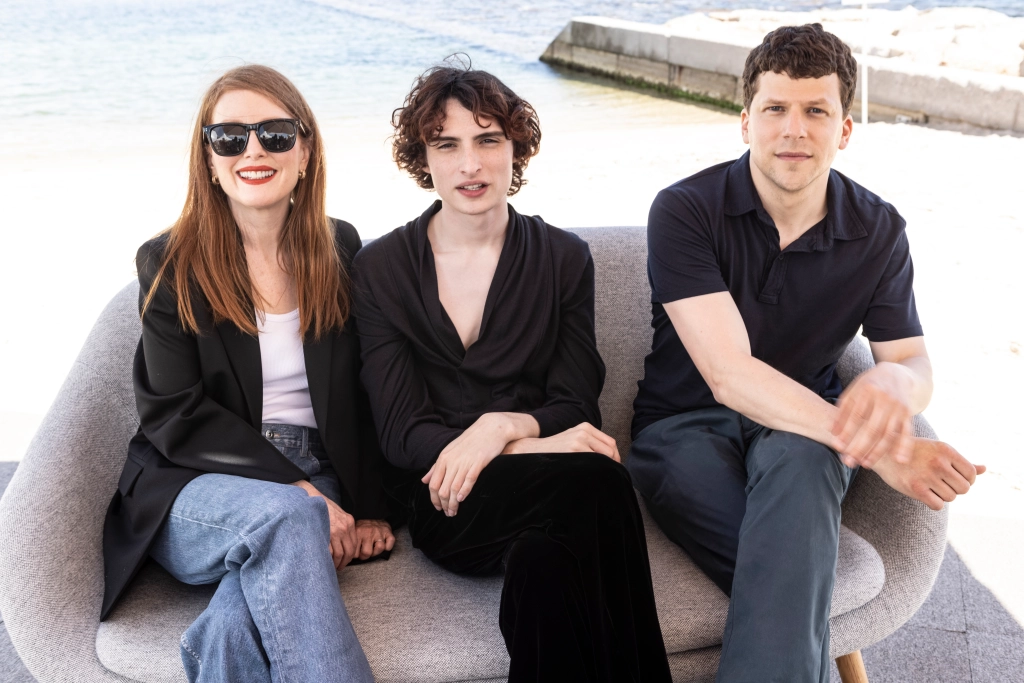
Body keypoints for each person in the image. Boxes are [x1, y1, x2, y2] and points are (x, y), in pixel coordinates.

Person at [627, 24, 986, 683]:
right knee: (791, 577)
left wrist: (895, 391)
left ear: (844, 129)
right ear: (745, 122)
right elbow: (727, 372)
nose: (794, 129)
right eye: (776, 109)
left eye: (816, 110)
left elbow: (910, 357)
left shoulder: (878, 230)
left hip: (804, 436)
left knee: (807, 461)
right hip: (682, 428)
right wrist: (887, 450)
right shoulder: (684, 210)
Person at [351, 60, 671, 683]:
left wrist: (498, 428)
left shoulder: (563, 259)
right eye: (448, 144)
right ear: (425, 158)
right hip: (444, 498)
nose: (470, 164)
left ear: (515, 147)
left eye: (488, 139)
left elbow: (577, 399)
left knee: (542, 565)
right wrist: (539, 443)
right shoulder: (381, 269)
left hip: (544, 487)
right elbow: (400, 433)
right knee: (598, 480)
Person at [101, 65, 394, 683]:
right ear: (208, 160)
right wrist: (301, 492)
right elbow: (174, 413)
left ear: (306, 152)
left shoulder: (339, 247)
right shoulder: (169, 262)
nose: (253, 149)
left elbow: (363, 390)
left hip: (319, 474)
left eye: (275, 133)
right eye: (229, 137)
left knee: (237, 624)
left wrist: (366, 506)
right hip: (194, 484)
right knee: (290, 518)